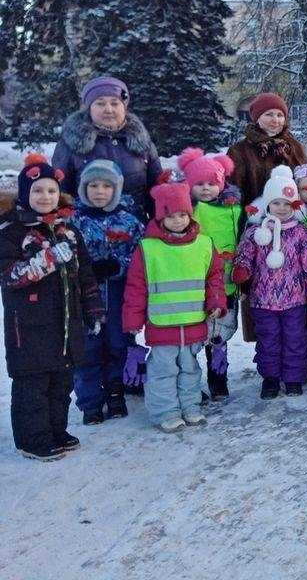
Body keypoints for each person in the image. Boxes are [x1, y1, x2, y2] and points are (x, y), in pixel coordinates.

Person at [2, 154, 103, 460]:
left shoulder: (68, 231)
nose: (45, 197)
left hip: (66, 323)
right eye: (37, 190)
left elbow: (85, 275)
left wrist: (93, 309)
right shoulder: (11, 232)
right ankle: (32, 439)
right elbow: (9, 276)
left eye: (51, 190)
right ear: (25, 193)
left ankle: (56, 430)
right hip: (28, 327)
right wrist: (48, 259)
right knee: (33, 383)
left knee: (61, 381)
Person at [123, 182, 226, 433]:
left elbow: (214, 277)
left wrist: (215, 302)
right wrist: (133, 319)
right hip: (162, 324)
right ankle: (166, 412)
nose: (177, 220)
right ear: (160, 218)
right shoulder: (148, 248)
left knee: (190, 369)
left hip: (193, 321)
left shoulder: (204, 244)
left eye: (182, 214)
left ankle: (190, 406)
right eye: (170, 216)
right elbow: (136, 286)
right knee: (163, 372)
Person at [232, 166, 307, 399]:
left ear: (295, 205)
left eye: (287, 203)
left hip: (295, 301)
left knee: (296, 340)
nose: (282, 208)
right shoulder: (256, 232)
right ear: (267, 204)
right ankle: (271, 378)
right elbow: (245, 254)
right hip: (263, 301)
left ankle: (294, 378)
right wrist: (242, 269)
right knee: (268, 341)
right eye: (276, 203)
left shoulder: (302, 233)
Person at [70, 160, 143, 424]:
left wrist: (118, 265)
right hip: (85, 298)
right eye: (93, 185)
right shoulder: (73, 221)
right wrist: (86, 268)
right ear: (83, 188)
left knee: (119, 344)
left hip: (118, 294)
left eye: (106, 186)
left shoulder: (129, 221)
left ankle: (116, 392)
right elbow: (65, 256)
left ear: (116, 189)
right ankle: (90, 402)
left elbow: (141, 256)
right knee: (87, 351)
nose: (99, 191)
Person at [52, 76, 162, 220]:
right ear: (89, 108)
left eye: (115, 103)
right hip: (86, 228)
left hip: (135, 228)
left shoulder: (141, 141)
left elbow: (157, 192)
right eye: (100, 103)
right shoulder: (71, 142)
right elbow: (60, 192)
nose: (108, 109)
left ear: (124, 107)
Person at [179, 148, 242, 399]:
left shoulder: (234, 209)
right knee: (195, 334)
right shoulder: (187, 209)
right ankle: (190, 382)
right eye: (199, 184)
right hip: (196, 283)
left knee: (220, 336)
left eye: (211, 183)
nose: (206, 188)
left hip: (226, 282)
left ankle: (218, 379)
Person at [227, 92, 307, 213]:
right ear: (257, 118)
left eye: (280, 115)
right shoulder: (239, 151)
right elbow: (232, 190)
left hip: (289, 216)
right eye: (269, 114)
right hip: (254, 216)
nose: (275, 120)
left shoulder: (294, 146)